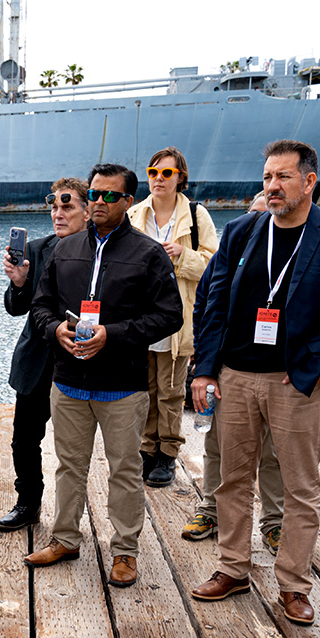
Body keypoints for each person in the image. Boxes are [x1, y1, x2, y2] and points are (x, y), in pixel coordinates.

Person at [190, 140, 320, 625]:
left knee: (300, 488)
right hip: (236, 377)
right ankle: (233, 568)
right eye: (267, 177)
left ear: (309, 182)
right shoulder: (242, 230)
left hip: (297, 383)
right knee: (233, 479)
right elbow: (210, 302)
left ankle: (293, 584)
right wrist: (205, 369)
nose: (271, 186)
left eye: (283, 177)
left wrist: (316, 363)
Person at [26, 164, 182, 586]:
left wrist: (110, 335)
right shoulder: (65, 248)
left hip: (122, 385)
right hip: (69, 381)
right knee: (68, 466)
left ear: (128, 201)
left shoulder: (148, 253)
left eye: (109, 196)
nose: (98, 202)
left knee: (125, 470)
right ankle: (64, 538)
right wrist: (55, 328)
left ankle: (125, 551)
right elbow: (41, 306)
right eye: (94, 194)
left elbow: (170, 315)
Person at [181, 192, 284, 550]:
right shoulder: (234, 251)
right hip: (229, 370)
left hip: (278, 374)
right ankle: (210, 510)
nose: (260, 222)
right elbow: (205, 306)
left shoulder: (290, 256)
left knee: (274, 452)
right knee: (217, 445)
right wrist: (202, 363)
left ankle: (275, 522)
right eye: (253, 214)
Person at [0, 176, 90, 531]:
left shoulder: (100, 252)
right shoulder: (37, 249)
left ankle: (71, 516)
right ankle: (28, 503)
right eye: (54, 207)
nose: (58, 213)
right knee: (24, 439)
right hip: (38, 360)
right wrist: (19, 282)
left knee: (75, 448)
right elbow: (15, 307)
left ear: (87, 209)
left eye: (67, 206)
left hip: (82, 361)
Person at [127, 147, 219, 487]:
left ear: (181, 176)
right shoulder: (135, 215)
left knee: (169, 392)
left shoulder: (196, 216)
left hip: (176, 317)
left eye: (166, 173)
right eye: (153, 172)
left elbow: (214, 266)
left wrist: (183, 255)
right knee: (143, 391)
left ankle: (167, 454)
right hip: (139, 318)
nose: (158, 179)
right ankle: (146, 449)